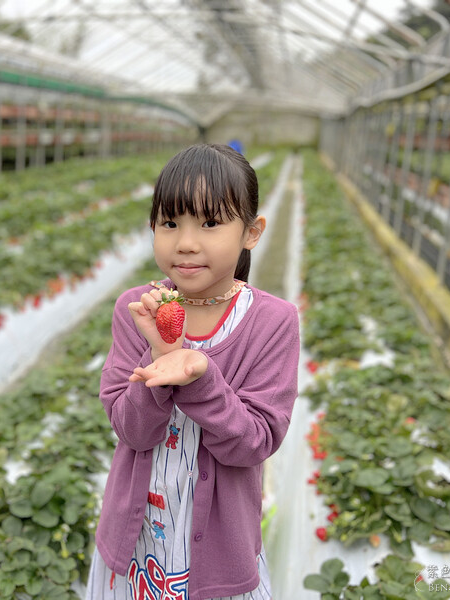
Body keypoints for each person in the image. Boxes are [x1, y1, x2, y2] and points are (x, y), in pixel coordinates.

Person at [86, 144, 299, 600]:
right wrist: (162, 354)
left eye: (209, 223)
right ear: (152, 228)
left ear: (251, 232)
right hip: (138, 539)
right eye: (170, 223)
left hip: (218, 548)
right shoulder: (136, 310)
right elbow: (132, 431)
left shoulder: (272, 322)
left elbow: (255, 442)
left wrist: (201, 380)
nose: (185, 241)